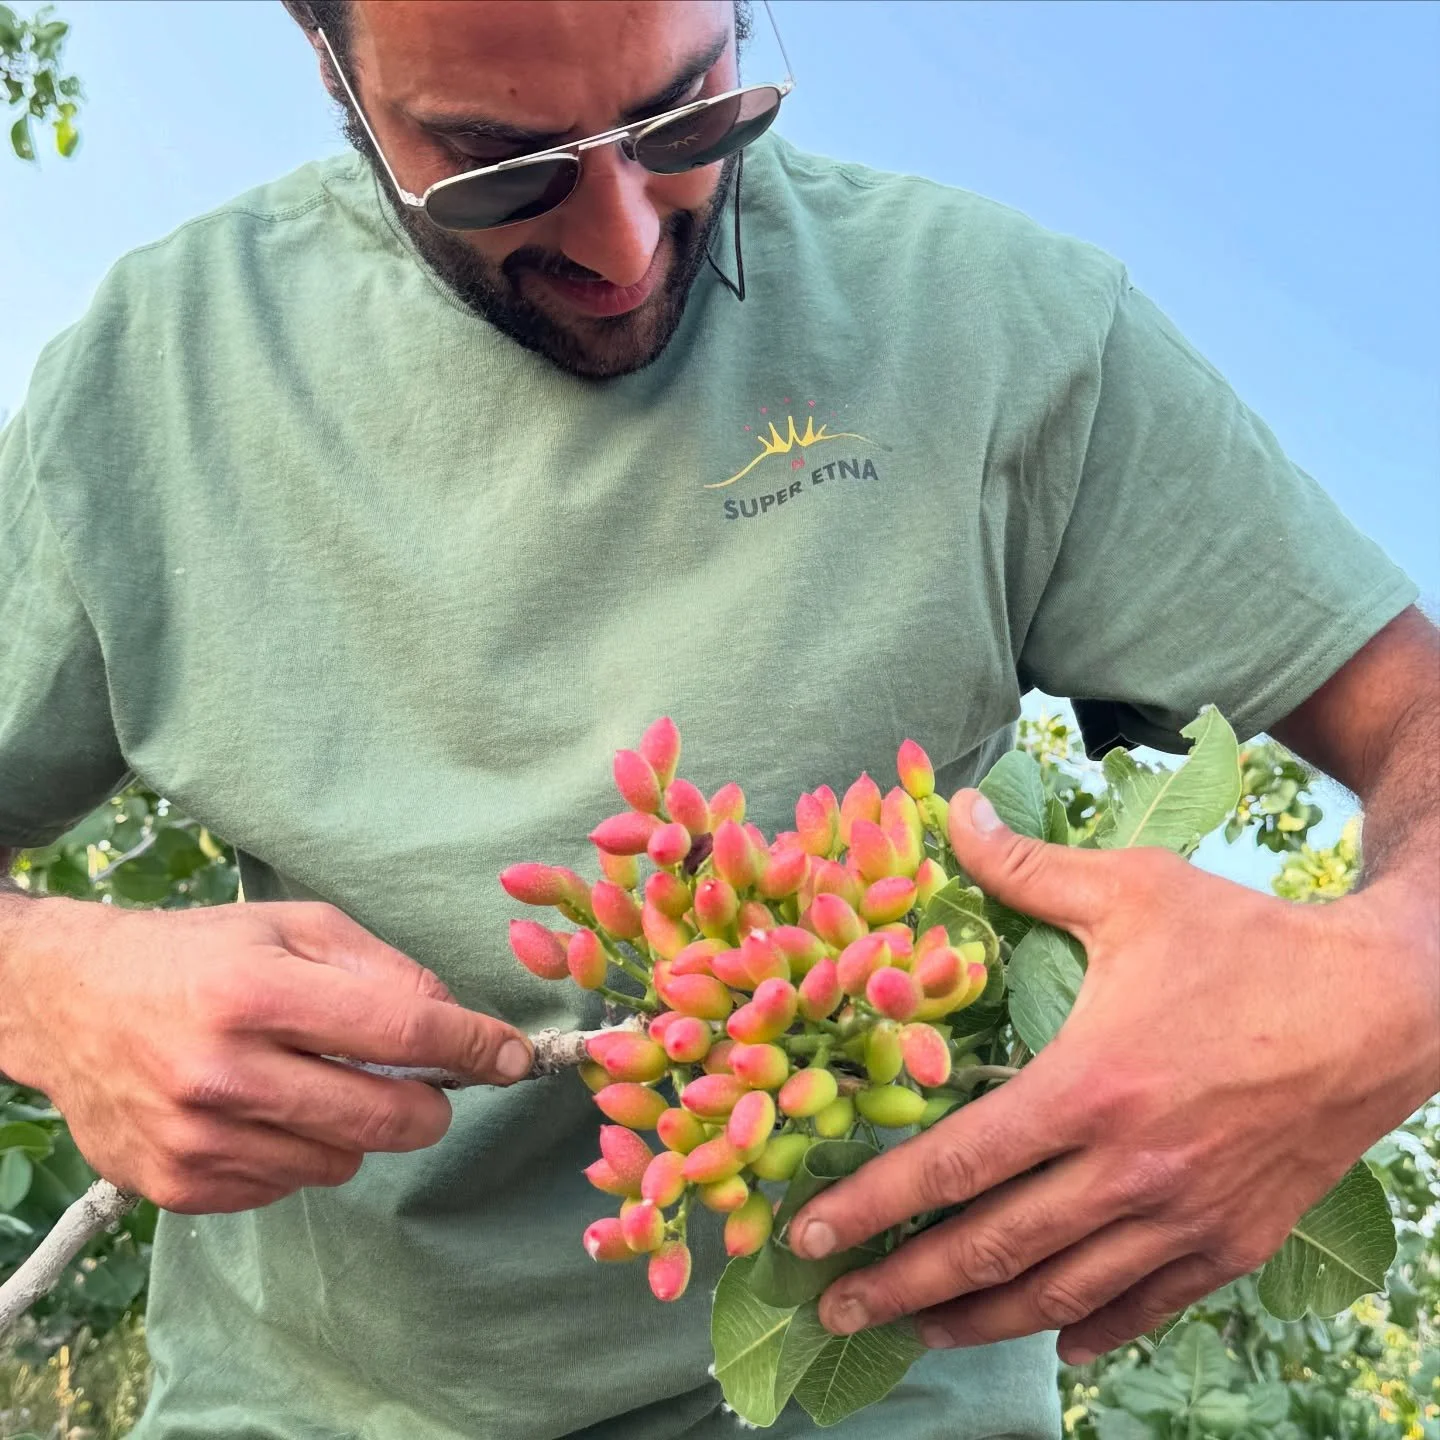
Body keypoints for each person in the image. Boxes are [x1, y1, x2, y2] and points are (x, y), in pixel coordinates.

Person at [0, 1, 1434, 1436]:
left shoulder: (999, 323)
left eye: (690, 114)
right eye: (498, 165)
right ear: (324, 52)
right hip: (309, 1401)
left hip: (875, 1382)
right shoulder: (154, 378)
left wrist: (1383, 992)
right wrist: (47, 983)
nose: (624, 244)